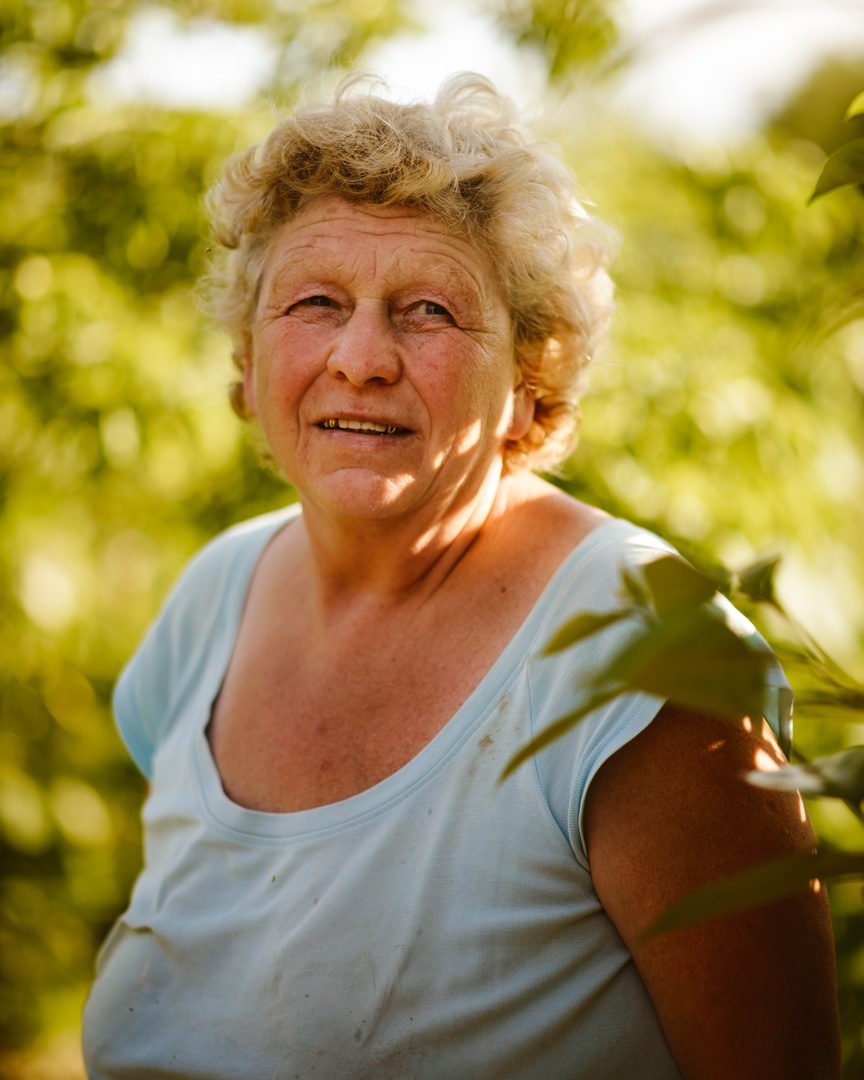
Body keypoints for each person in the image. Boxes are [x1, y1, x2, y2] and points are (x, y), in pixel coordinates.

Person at [82, 75, 840, 1079]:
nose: (360, 357)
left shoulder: (652, 654)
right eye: (314, 302)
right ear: (249, 356)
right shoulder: (212, 598)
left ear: (531, 376)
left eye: (428, 311)